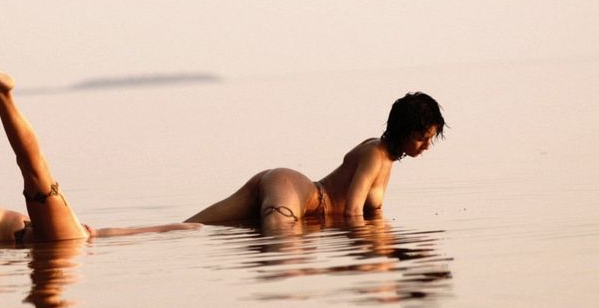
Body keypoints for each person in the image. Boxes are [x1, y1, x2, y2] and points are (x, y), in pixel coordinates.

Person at [0, 43, 445, 245]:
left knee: (182, 229)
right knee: (36, 172)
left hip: (71, 236)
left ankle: (5, 96)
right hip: (63, 233)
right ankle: (4, 96)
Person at [185, 91, 445, 229]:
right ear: (403, 130)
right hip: (299, 192)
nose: (427, 146)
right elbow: (352, 212)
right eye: (422, 138)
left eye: (430, 138)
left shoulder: (381, 155)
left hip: (287, 186)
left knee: (189, 227)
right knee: (285, 264)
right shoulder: (375, 155)